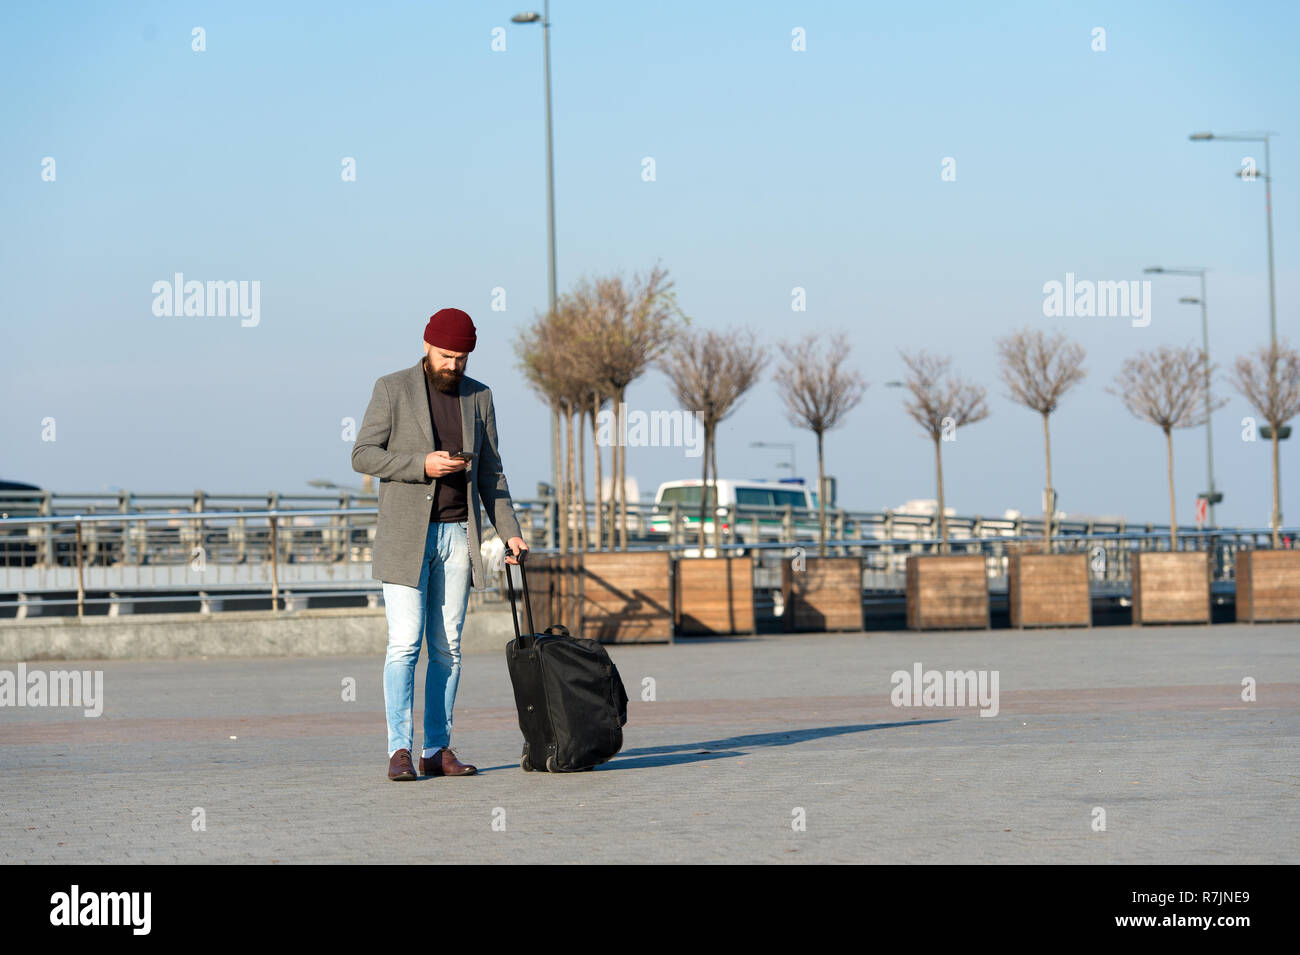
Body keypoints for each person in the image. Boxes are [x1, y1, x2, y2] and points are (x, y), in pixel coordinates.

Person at [351, 307, 529, 781]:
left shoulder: (480, 396)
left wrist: (509, 529)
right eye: (446, 355)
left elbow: (492, 471)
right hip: (405, 538)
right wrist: (421, 465)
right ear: (427, 345)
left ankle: (437, 748)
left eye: (462, 357)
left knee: (448, 646)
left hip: (458, 536)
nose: (453, 365)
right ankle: (399, 751)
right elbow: (362, 455)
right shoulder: (392, 388)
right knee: (405, 645)